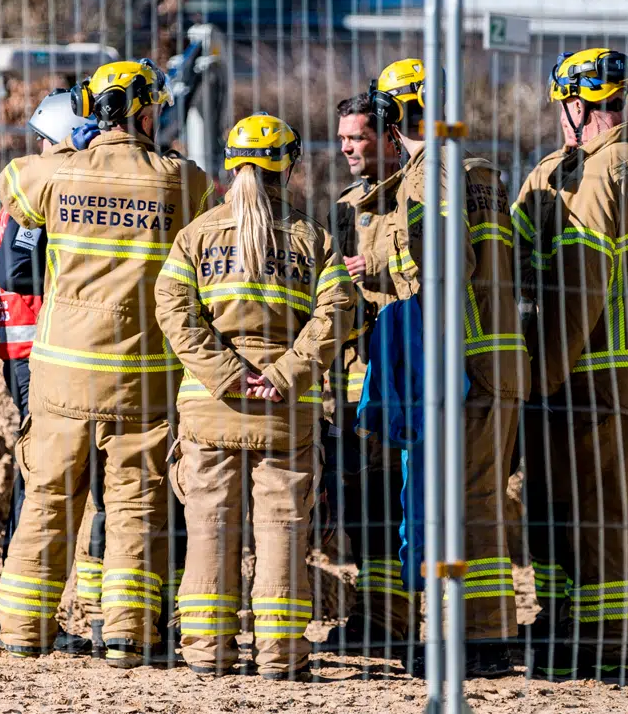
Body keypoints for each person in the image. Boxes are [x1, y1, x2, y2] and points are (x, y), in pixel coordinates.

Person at [0, 58, 213, 666]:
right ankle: (127, 635)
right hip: (141, 378)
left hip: (61, 373)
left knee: (47, 498)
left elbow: (12, 181)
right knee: (136, 505)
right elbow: (212, 219)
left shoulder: (58, 174)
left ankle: (21, 630)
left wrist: (74, 148)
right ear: (145, 112)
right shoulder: (182, 181)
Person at [344, 59, 530, 677]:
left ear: (396, 113)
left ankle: (477, 642)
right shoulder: (475, 169)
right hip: (491, 357)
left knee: (466, 504)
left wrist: (376, 268)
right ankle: (481, 636)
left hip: (466, 361)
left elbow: (452, 262)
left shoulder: (432, 175)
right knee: (475, 500)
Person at [155, 112, 355, 681]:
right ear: (287, 167)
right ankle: (281, 657)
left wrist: (226, 374)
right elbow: (337, 312)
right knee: (283, 531)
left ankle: (205, 653)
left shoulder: (195, 236)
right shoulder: (312, 238)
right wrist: (285, 372)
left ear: (229, 165)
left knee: (209, 527)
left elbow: (173, 310)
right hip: (284, 412)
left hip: (210, 408)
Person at [511, 48, 628, 680]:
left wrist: (542, 376)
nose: (561, 117)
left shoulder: (595, 177)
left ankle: (600, 647)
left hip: (589, 378)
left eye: (564, 105)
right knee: (627, 516)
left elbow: (579, 287)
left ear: (579, 106)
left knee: (588, 520)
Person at [0, 91, 104, 655]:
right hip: (40, 353)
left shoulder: (40, 185)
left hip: (46, 352)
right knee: (43, 481)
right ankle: (27, 617)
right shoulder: (41, 192)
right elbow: (17, 270)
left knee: (51, 478)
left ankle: (36, 615)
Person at [318, 93, 412, 657]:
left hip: (405, 373)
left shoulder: (414, 195)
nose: (347, 149)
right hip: (355, 377)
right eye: (343, 139)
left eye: (357, 137)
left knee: (396, 499)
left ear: (389, 136)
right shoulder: (346, 206)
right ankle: (374, 618)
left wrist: (376, 269)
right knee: (364, 502)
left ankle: (390, 622)